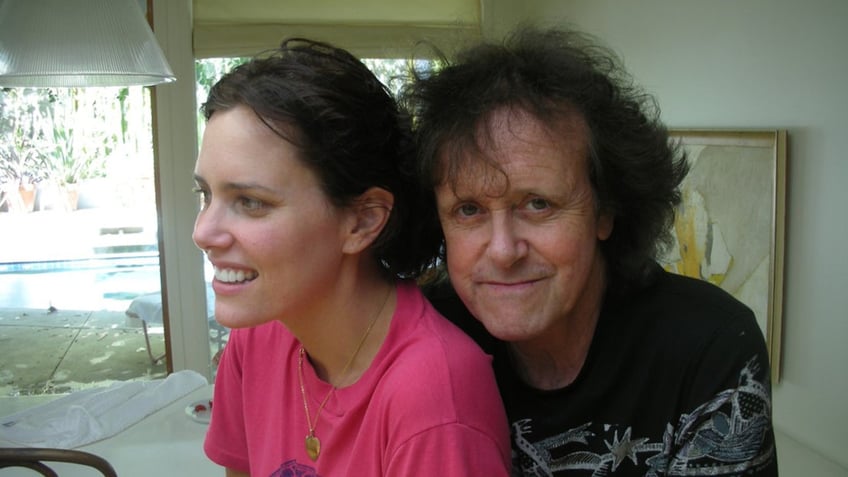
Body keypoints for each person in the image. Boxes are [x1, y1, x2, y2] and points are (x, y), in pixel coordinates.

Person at [403, 26, 778, 476]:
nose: (503, 251)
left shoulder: (709, 346)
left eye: (538, 204)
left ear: (606, 211)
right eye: (468, 210)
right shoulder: (422, 338)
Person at [193, 38, 511, 476]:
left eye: (250, 202)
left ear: (362, 221)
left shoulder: (433, 400)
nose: (202, 232)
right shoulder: (258, 335)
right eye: (205, 194)